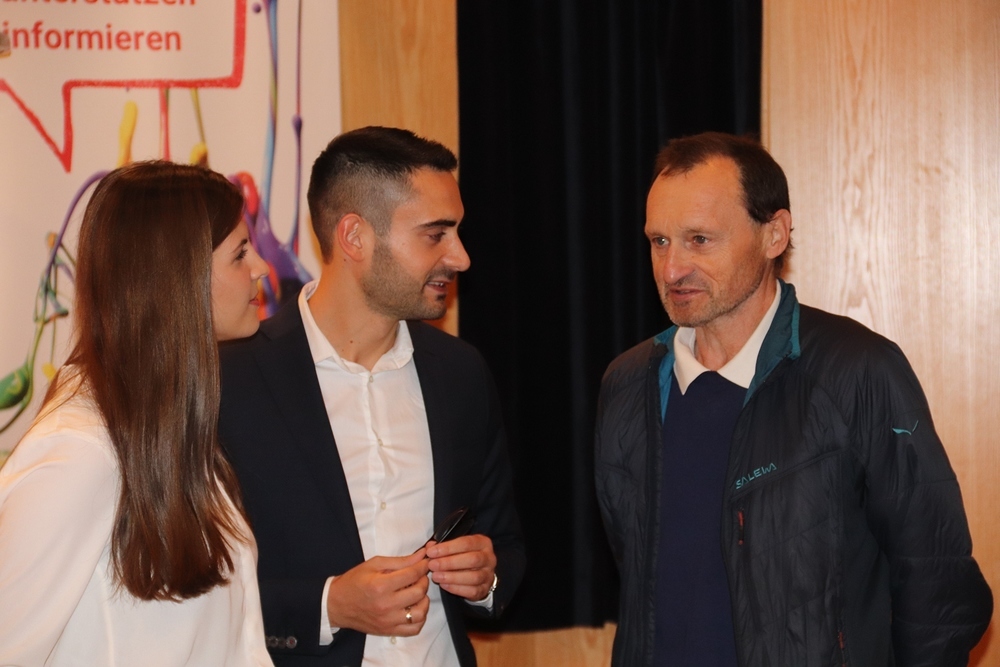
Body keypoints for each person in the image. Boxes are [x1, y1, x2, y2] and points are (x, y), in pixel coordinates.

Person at [594, 132, 993, 666]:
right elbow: (635, 568)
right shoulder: (628, 383)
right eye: (660, 241)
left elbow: (937, 584)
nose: (671, 268)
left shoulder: (858, 371)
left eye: (700, 239)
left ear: (774, 234)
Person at [217, 126, 525, 667]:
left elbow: (504, 543)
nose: (460, 257)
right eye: (435, 235)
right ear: (355, 237)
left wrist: (486, 576)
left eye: (456, 232)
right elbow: (192, 590)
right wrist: (329, 605)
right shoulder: (232, 381)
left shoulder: (460, 373)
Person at [0, 162, 273, 665]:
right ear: (176, 278)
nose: (260, 267)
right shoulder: (80, 454)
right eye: (240, 253)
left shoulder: (165, 431)